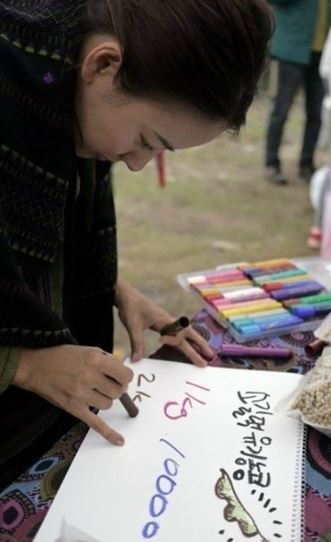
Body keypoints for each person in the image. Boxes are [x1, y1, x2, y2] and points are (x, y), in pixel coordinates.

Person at [0, 0, 273, 490]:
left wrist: (114, 287)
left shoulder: (57, 90)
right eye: (147, 139)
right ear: (103, 65)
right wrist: (24, 363)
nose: (137, 164)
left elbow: (27, 236)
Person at [265, 0, 331, 185]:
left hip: (323, 55)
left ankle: (307, 164)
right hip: (292, 50)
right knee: (282, 109)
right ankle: (272, 163)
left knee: (316, 113)